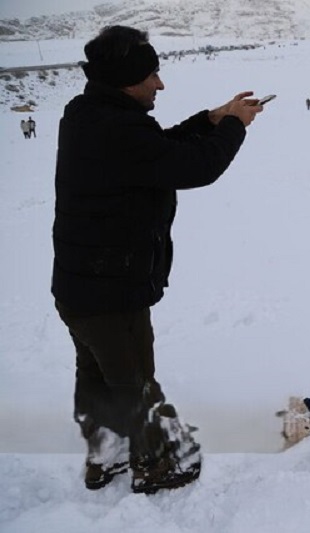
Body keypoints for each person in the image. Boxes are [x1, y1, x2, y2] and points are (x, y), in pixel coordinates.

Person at [51, 25, 264, 494]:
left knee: (97, 381)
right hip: (111, 292)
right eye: (152, 74)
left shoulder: (90, 112)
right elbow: (195, 167)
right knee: (134, 384)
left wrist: (212, 118)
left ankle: (104, 460)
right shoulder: (118, 127)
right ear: (128, 79)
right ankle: (156, 465)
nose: (160, 84)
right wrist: (234, 126)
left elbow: (157, 150)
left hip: (80, 289)